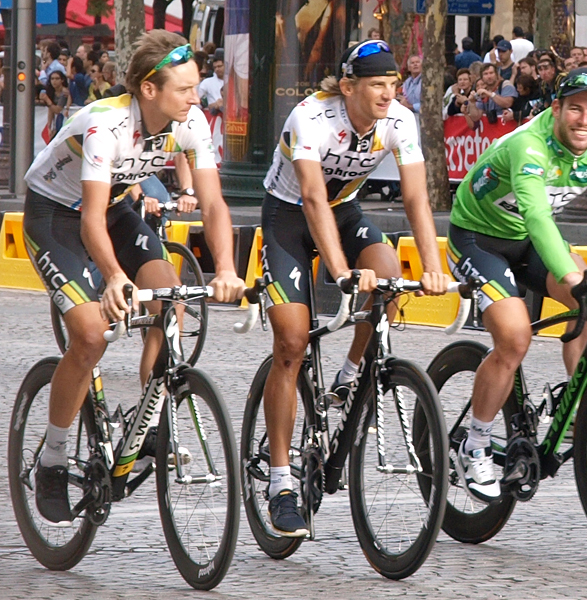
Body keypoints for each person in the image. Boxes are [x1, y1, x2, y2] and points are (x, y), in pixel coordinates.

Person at [23, 30, 245, 526]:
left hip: (116, 209)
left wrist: (227, 268)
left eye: (196, 86)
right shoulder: (107, 124)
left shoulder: (188, 123)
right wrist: (115, 277)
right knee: (89, 335)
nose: (196, 95)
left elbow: (212, 203)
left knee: (172, 297)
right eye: (185, 88)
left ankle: (149, 414)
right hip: (57, 215)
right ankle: (53, 460)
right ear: (150, 90)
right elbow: (89, 218)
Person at [446, 67, 587, 503]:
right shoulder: (529, 146)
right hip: (477, 238)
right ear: (556, 109)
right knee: (513, 340)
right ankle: (474, 442)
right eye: (575, 109)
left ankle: (573, 414)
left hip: (529, 240)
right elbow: (537, 216)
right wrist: (571, 277)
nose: (584, 120)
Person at [259, 39, 450, 536]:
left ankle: (349, 374)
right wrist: (342, 272)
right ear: (347, 87)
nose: (389, 94)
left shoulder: (400, 122)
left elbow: (415, 197)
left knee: (387, 276)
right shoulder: (311, 117)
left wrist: (433, 266)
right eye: (377, 85)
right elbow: (310, 196)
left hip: (343, 211)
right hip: (289, 216)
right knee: (291, 342)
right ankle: (280, 481)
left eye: (393, 84)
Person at [40, 70, 71, 138]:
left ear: (62, 80)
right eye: (52, 78)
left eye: (57, 79)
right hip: (57, 121)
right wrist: (49, 126)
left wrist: (47, 100)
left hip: (65, 120)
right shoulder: (51, 91)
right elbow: (50, 109)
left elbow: (57, 110)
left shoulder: (64, 92)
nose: (54, 81)